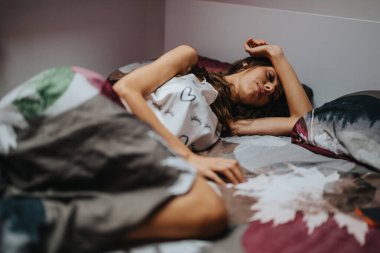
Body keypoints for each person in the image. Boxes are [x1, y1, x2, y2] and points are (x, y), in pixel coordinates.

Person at [112, 37, 313, 186]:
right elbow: (125, 89)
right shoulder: (187, 62)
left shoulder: (231, 123)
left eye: (273, 95)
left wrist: (277, 54)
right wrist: (188, 157)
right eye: (269, 76)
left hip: (140, 161)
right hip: (115, 128)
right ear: (247, 64)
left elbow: (304, 121)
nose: (269, 88)